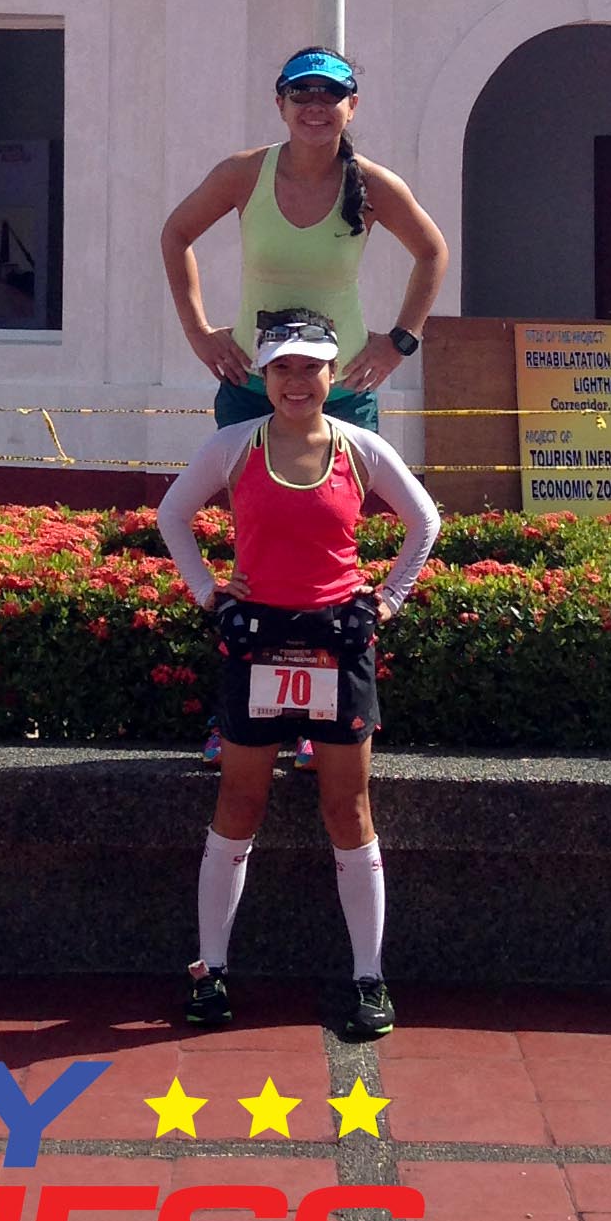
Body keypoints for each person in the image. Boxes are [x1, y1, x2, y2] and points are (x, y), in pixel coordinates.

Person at [157, 306, 442, 1041]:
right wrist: (209, 592)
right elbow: (172, 516)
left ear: (331, 371)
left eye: (310, 366)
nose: (296, 381)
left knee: (347, 810)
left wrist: (385, 599)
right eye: (281, 366)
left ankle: (368, 978)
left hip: (336, 645)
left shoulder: (362, 447)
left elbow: (425, 523)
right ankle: (210, 970)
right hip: (257, 643)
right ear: (263, 372)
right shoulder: (232, 446)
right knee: (240, 802)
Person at [160, 47, 448, 432]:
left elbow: (432, 252)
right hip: (250, 389)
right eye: (302, 93)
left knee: (337, 496)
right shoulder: (243, 173)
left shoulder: (375, 185)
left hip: (343, 393)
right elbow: (176, 234)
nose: (316, 106)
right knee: (251, 495)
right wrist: (198, 333)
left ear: (353, 105)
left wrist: (399, 343)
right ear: (280, 104)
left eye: (330, 93)